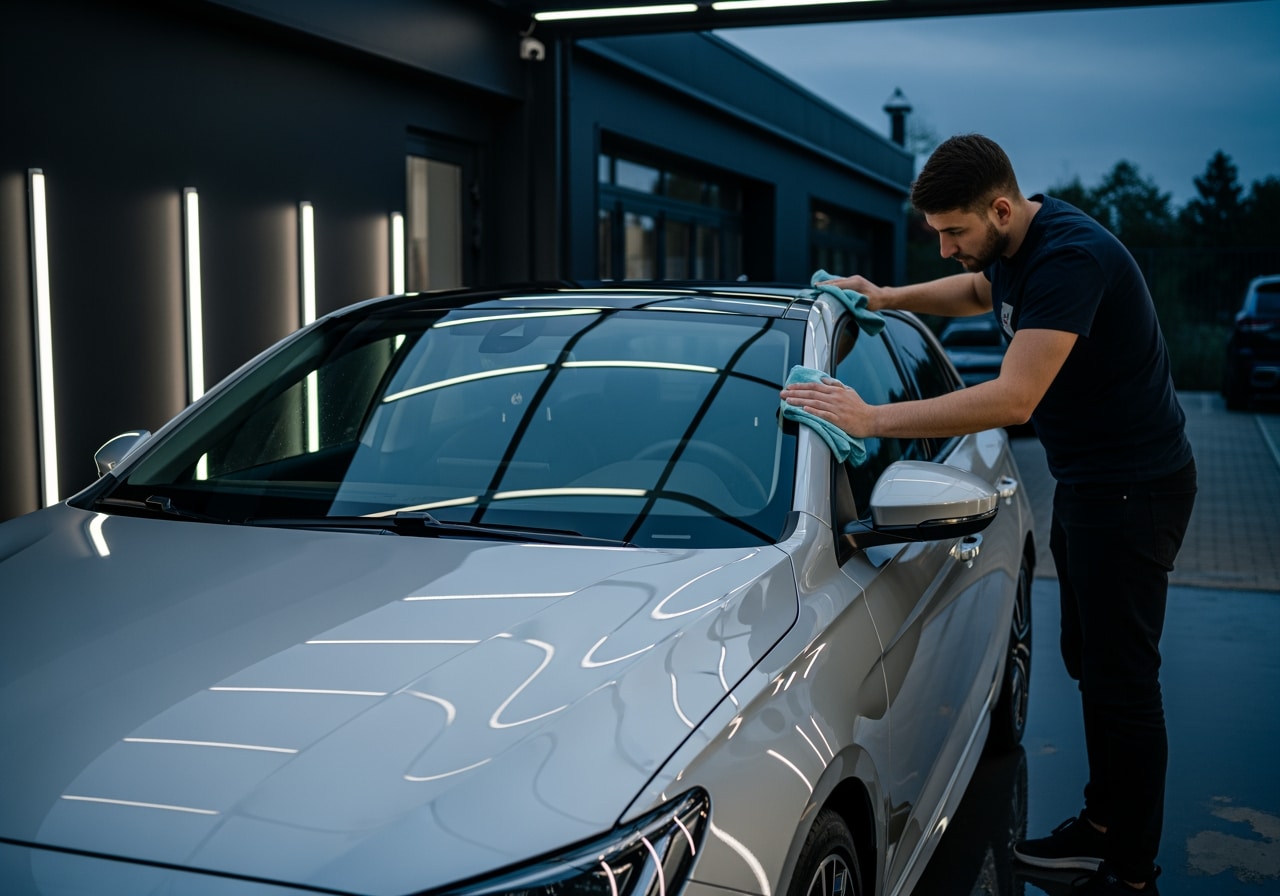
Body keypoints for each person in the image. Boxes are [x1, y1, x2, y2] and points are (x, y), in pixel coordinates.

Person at [781, 134, 1196, 894]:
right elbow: (978, 291)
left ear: (1001, 209)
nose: (945, 249)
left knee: (1124, 681)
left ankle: (1131, 870)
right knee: (1090, 661)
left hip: (1134, 492)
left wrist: (871, 420)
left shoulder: (1069, 258)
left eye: (954, 232)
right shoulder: (1016, 246)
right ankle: (1103, 823)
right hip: (1094, 485)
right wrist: (887, 297)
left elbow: (1014, 398)